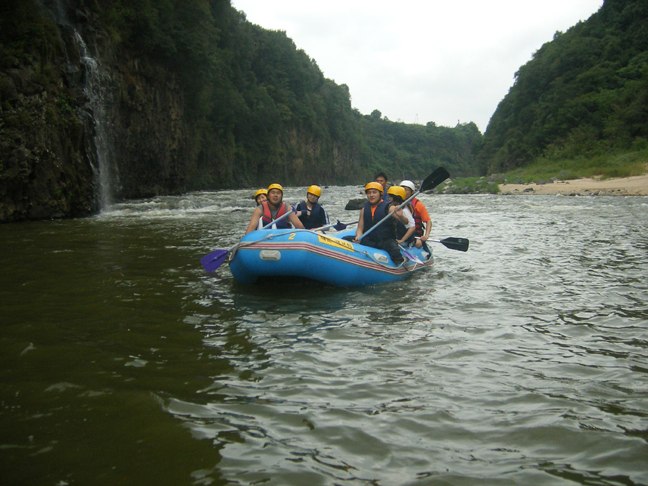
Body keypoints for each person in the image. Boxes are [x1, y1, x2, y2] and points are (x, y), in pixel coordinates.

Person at [349, 182, 407, 265]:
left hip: (385, 241)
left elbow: (405, 222)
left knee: (393, 249)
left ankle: (400, 262)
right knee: (346, 239)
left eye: (374, 192)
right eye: (369, 193)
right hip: (370, 240)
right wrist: (358, 237)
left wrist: (401, 216)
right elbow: (360, 228)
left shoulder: (389, 208)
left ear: (380, 194)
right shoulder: (364, 209)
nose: (371, 195)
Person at [400, 180, 432, 249]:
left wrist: (426, 235)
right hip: (400, 233)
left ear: (412, 192)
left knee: (418, 243)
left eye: (406, 190)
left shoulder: (418, 204)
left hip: (415, 235)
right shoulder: (396, 203)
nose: (403, 192)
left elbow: (428, 221)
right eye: (401, 189)